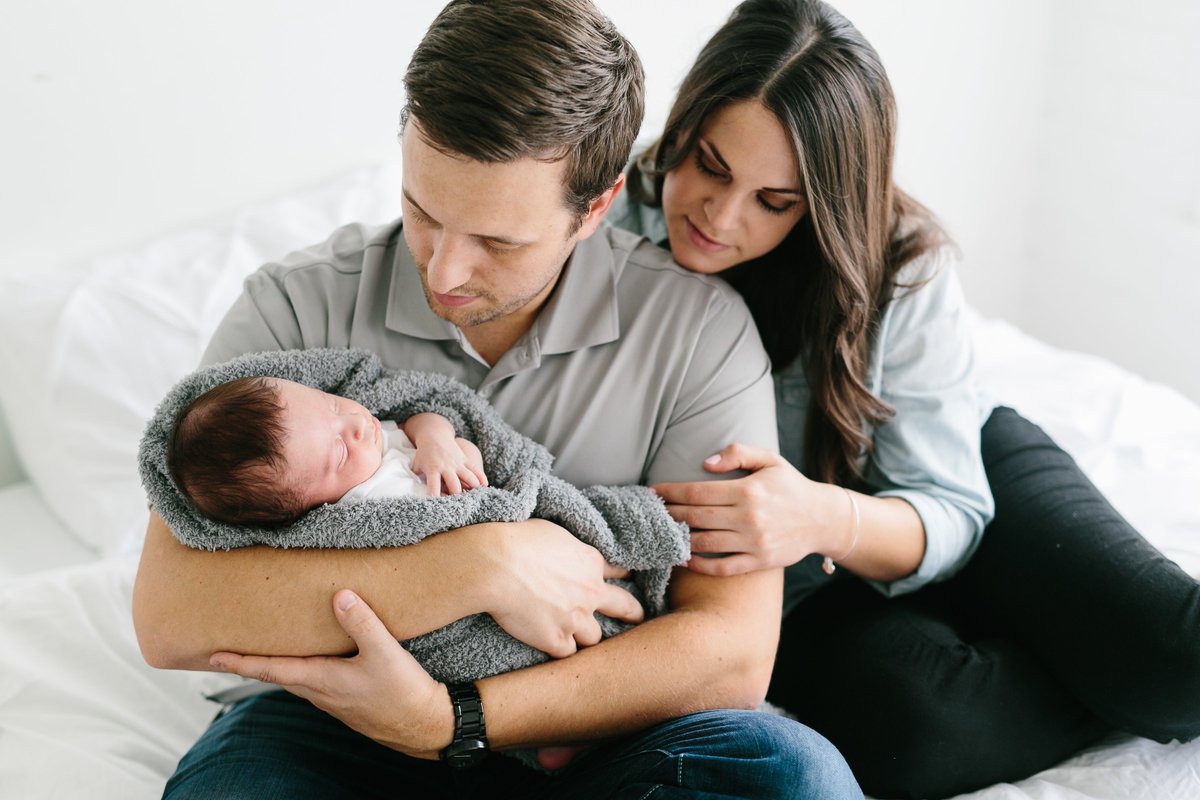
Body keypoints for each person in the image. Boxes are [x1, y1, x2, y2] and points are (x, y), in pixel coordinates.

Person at [131, 1, 862, 797]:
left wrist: (457, 719)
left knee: (792, 775)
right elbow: (171, 614)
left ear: (597, 207)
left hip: (595, 731)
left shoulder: (699, 333)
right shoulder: (295, 310)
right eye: (422, 210)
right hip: (334, 722)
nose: (443, 272)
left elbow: (731, 652)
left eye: (498, 242)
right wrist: (478, 565)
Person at [607, 1, 1200, 798]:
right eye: (710, 165)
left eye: (774, 201)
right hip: (798, 581)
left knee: (1176, 664)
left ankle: (1106, 660)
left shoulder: (898, 267)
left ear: (822, 201)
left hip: (941, 475)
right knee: (913, 738)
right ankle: (1085, 663)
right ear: (684, 124)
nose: (720, 215)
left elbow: (952, 506)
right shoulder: (612, 216)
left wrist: (819, 514)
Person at [167, 375, 487, 527]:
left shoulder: (370, 444)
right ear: (315, 507)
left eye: (332, 405)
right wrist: (461, 455)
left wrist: (436, 441)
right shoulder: (370, 505)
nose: (355, 423)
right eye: (340, 451)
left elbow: (418, 421)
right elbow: (468, 504)